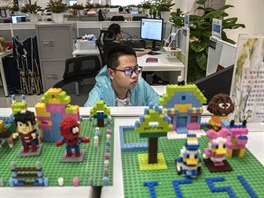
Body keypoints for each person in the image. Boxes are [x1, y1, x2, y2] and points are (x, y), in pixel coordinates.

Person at [84, 45, 159, 107]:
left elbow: (159, 105)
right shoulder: (100, 93)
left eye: (135, 69)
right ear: (111, 73)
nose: (134, 75)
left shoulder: (140, 84)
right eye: (128, 71)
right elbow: (87, 119)